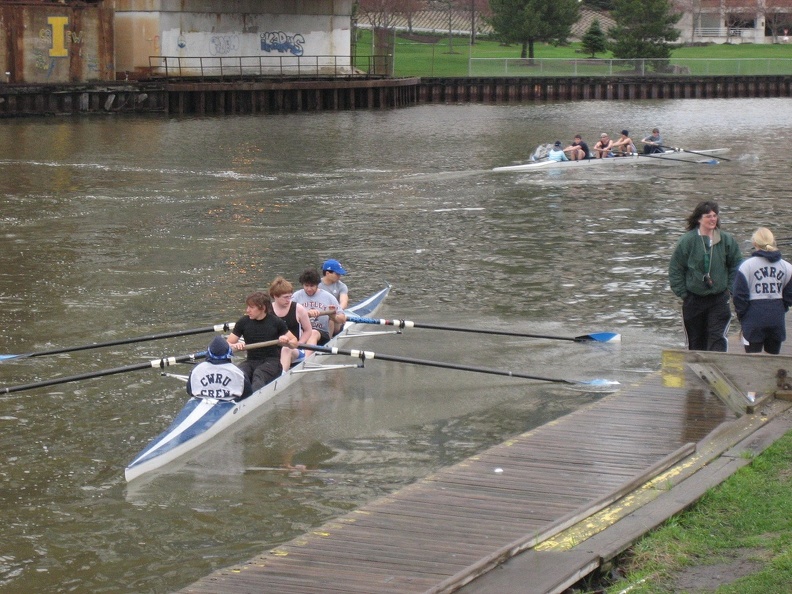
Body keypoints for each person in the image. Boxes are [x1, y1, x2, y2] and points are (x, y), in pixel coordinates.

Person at [669, 201, 743, 352]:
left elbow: (736, 265)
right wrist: (683, 293)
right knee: (695, 340)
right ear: (699, 219)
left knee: (717, 337)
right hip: (693, 299)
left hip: (718, 298)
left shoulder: (725, 240)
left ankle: (717, 370)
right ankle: (696, 370)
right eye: (708, 216)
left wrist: (729, 289)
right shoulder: (687, 241)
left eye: (715, 216)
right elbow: (676, 269)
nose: (712, 219)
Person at [732, 228, 792, 354]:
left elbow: (739, 296)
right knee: (773, 361)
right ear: (773, 241)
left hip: (753, 317)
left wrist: (742, 315)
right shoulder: (787, 267)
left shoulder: (746, 266)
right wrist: (781, 308)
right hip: (776, 317)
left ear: (755, 244)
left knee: (752, 361)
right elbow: (789, 296)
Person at [227, 291, 298, 390]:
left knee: (258, 374)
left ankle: (252, 400)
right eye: (248, 307)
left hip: (272, 362)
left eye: (251, 307)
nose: (247, 310)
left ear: (262, 308)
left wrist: (287, 341)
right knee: (238, 374)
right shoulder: (243, 322)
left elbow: (295, 342)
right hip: (251, 361)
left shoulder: (276, 322)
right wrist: (235, 345)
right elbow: (227, 344)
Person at [269, 276, 316, 369]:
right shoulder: (268, 310)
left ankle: (282, 375)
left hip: (294, 349)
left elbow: (308, 330)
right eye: (285, 297)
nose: (289, 300)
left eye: (290, 296)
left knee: (286, 348)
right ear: (275, 296)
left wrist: (299, 344)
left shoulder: (298, 308)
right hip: (274, 350)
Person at [187, 336, 252, 401]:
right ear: (229, 354)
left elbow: (189, 391)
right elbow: (248, 395)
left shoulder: (196, 370)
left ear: (208, 353)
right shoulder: (238, 373)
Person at [292, 268, 344, 345]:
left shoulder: (328, 297)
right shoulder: (296, 296)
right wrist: (305, 314)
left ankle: (307, 356)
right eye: (306, 286)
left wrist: (333, 315)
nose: (309, 289)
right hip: (302, 332)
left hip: (322, 333)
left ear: (317, 285)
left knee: (313, 333)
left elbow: (342, 319)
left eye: (312, 286)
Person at [320, 259, 349, 329]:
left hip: (335, 316)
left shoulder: (342, 286)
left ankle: (330, 338)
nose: (339, 276)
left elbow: (344, 302)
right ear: (327, 273)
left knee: (331, 318)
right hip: (319, 313)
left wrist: (338, 310)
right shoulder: (315, 285)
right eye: (337, 274)